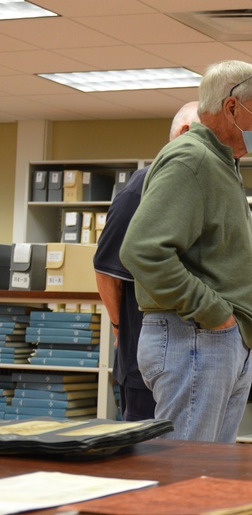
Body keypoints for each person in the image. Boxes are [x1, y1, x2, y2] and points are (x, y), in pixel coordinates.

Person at [121, 61, 252, 442]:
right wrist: (215, 314)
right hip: (196, 337)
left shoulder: (223, 164)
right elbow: (143, 250)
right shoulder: (192, 159)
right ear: (232, 108)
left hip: (218, 340)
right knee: (184, 475)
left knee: (208, 471)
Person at [93, 101, 200, 421]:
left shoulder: (199, 185)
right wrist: (118, 325)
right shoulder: (142, 187)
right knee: (147, 457)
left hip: (195, 356)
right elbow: (106, 271)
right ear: (184, 133)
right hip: (147, 357)